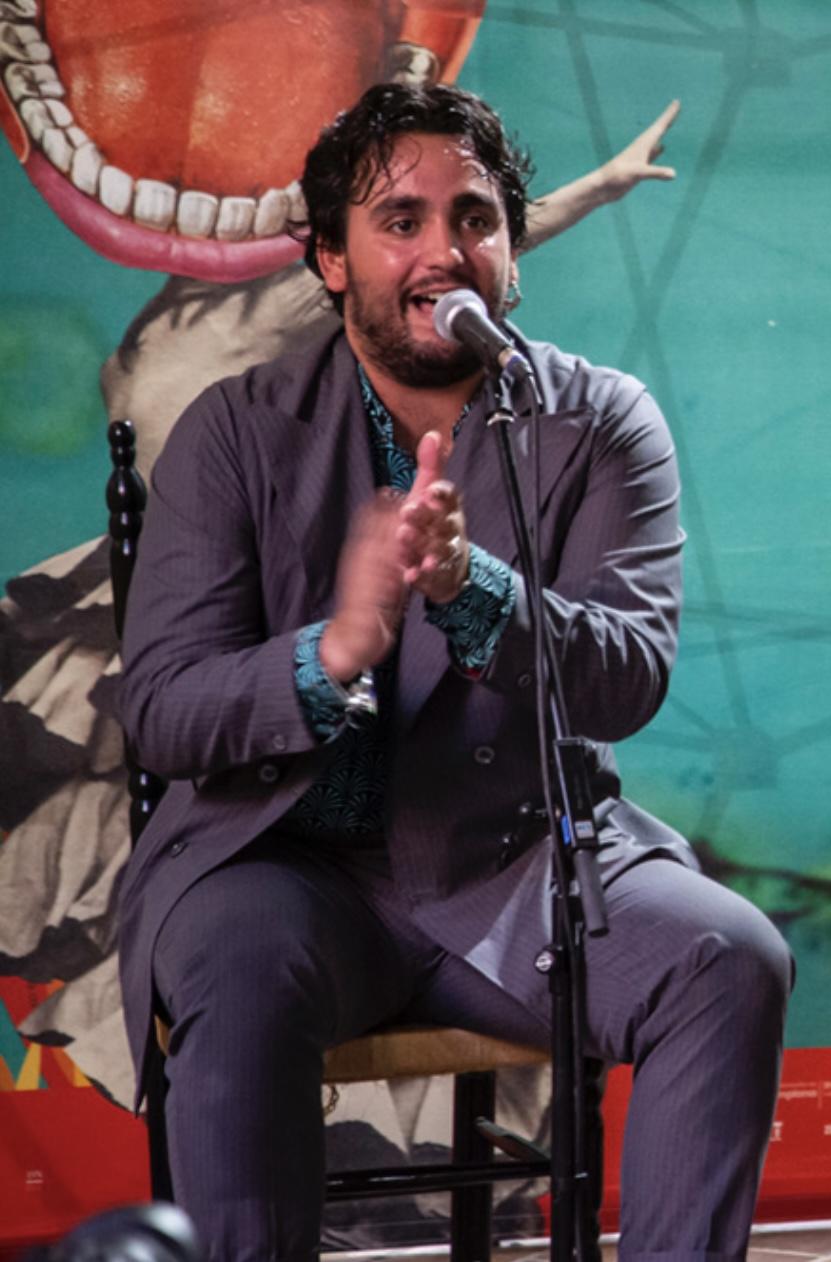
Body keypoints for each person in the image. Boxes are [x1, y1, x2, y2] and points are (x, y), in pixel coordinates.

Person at [115, 82, 792, 1262]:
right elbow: (165, 709)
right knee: (232, 960)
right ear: (330, 258)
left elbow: (628, 673)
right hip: (284, 867)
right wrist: (330, 656)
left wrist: (472, 585)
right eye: (401, 221)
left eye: (474, 217)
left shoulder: (602, 421)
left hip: (521, 858)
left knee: (728, 956)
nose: (445, 252)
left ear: (513, 247)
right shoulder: (234, 430)